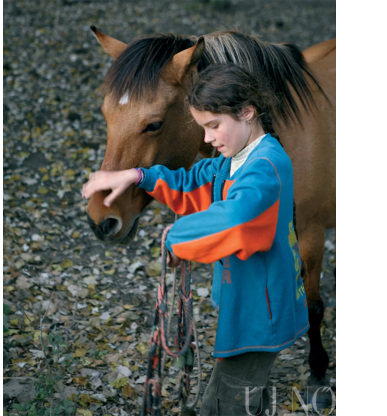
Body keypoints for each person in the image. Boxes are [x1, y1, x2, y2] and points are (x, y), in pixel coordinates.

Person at [81, 64, 308, 416]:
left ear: (247, 112)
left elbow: (236, 218)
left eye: (214, 125)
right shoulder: (233, 160)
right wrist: (137, 175)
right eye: (203, 128)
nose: (208, 138)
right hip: (247, 303)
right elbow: (191, 184)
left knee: (225, 404)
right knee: (239, 395)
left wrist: (177, 239)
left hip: (259, 315)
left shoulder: (265, 166)